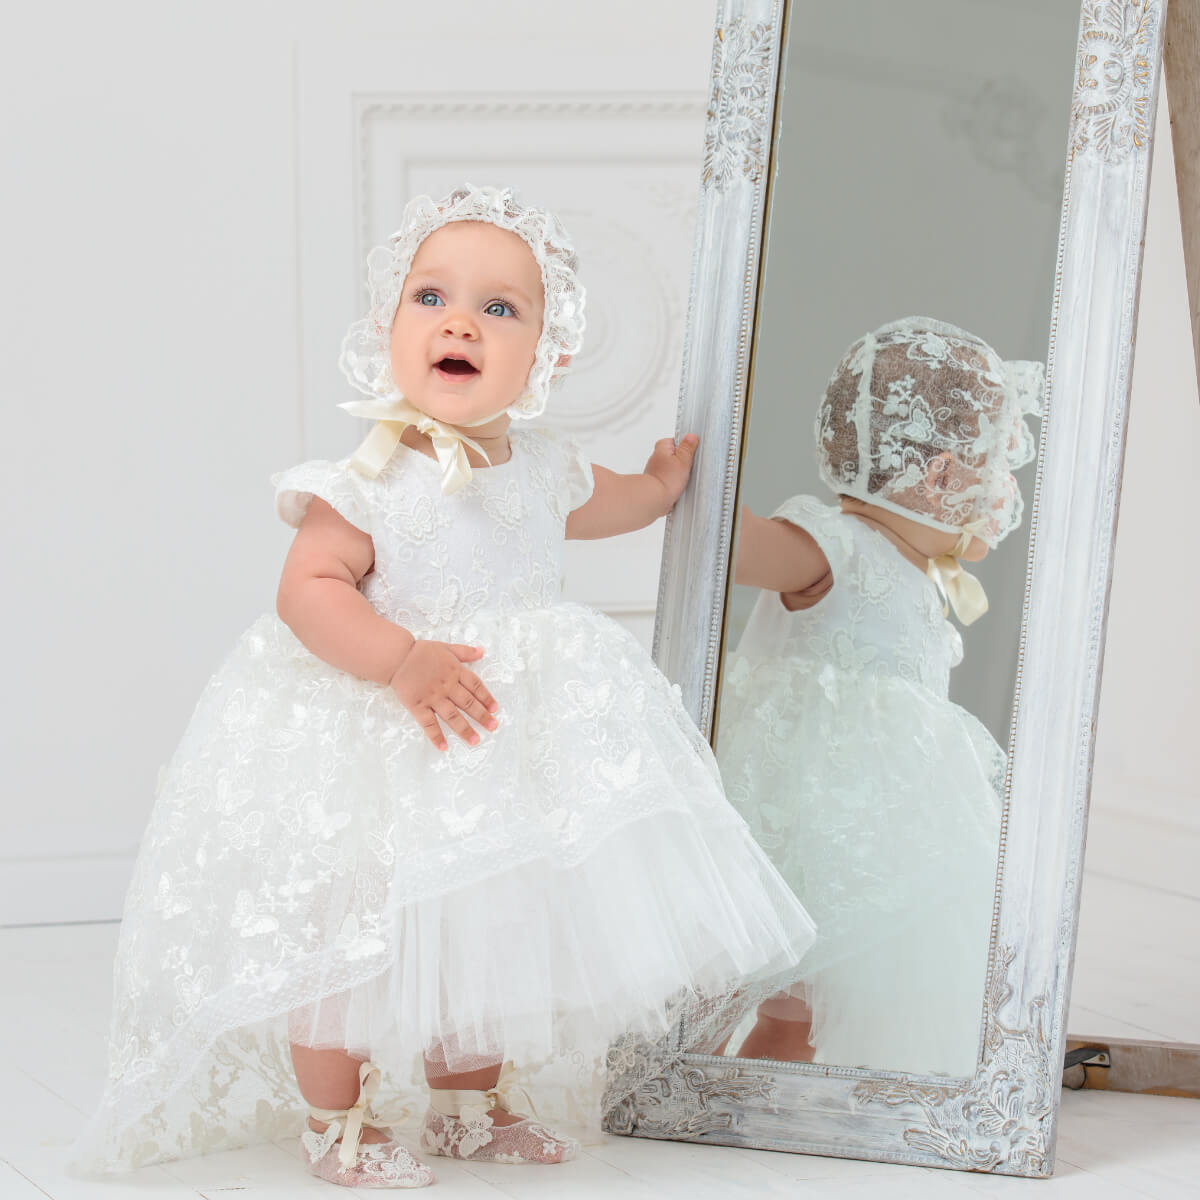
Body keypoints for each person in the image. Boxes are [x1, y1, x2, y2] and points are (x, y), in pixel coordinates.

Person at [73, 184, 816, 1188]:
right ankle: (335, 1121)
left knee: (487, 927)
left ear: (545, 357)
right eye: (430, 297)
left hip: (496, 744)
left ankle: (467, 1104)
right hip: (380, 737)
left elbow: (609, 506)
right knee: (347, 940)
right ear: (389, 330)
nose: (459, 320)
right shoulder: (367, 475)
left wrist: (663, 488)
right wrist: (397, 656)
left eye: (498, 309)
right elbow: (309, 591)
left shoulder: (542, 465)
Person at [719, 316, 1043, 1076]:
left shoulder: (917, 573)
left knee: (815, 1002)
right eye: (994, 475)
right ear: (940, 478)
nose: (1000, 499)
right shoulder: (836, 544)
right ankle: (703, 1086)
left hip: (876, 828)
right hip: (805, 816)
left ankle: (768, 1097)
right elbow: (735, 546)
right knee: (783, 988)